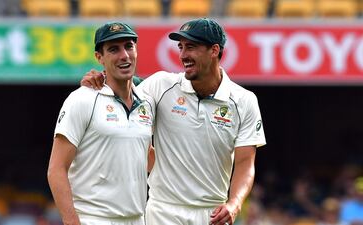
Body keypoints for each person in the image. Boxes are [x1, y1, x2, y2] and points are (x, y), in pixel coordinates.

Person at [81, 18, 266, 225]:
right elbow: (124, 90)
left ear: (214, 50)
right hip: (163, 211)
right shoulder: (161, 86)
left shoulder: (244, 101)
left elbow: (245, 162)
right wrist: (101, 79)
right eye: (181, 47)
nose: (183, 55)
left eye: (191, 47)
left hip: (213, 214)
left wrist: (235, 203)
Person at [47, 22, 154, 225]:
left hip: (137, 219)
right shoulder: (82, 99)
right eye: (114, 49)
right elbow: (56, 169)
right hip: (94, 219)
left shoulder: (146, 101)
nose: (124, 55)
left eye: (129, 46)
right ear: (99, 58)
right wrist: (72, 222)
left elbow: (145, 154)